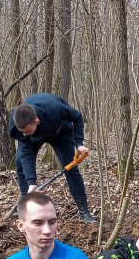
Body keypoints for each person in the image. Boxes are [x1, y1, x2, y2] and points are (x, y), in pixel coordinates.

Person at [8, 93, 97, 223]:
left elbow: (77, 117)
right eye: (21, 131)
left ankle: (84, 211)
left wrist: (79, 144)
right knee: (20, 163)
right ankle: (26, 206)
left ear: (36, 121)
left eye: (26, 131)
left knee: (70, 167)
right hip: (35, 136)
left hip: (59, 132)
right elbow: (26, 154)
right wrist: (32, 183)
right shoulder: (17, 125)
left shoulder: (55, 108)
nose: (23, 134)